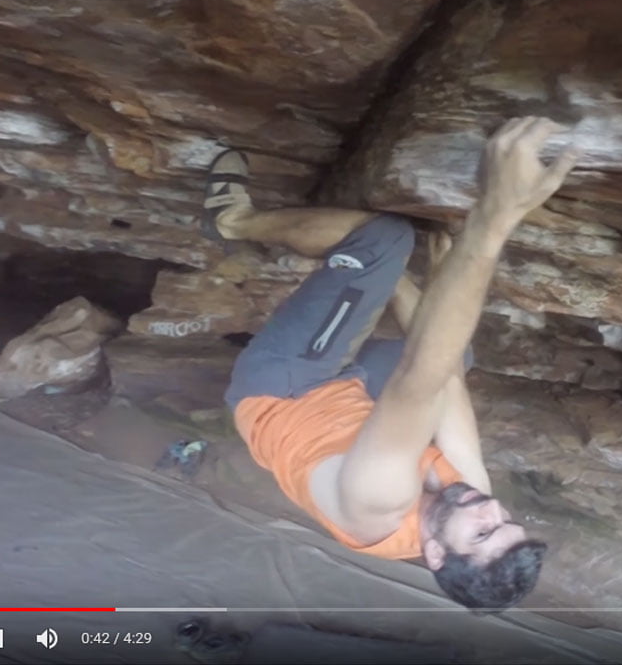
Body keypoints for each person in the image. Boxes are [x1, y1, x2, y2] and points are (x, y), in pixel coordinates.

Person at [200, 117, 580, 612]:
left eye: (484, 531)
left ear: (437, 553)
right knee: (457, 356)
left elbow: (419, 377)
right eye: (508, 520)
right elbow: (443, 373)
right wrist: (434, 284)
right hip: (355, 398)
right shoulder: (466, 499)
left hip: (285, 388)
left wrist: (495, 216)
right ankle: (383, 283)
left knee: (385, 239)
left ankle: (231, 222)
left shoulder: (377, 504)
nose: (491, 508)